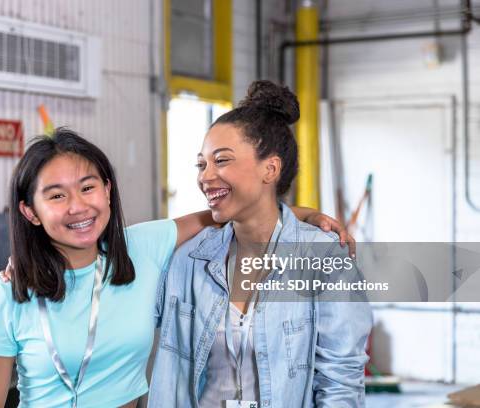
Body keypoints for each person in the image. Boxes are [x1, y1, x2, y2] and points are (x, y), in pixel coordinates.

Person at [0, 128, 351, 407]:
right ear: (29, 212)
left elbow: (226, 214)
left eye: (87, 188)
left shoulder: (143, 248)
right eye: (56, 196)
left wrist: (306, 215)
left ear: (106, 190)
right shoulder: (9, 296)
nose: (77, 207)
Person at [148, 81, 373, 407]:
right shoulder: (188, 260)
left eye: (221, 161)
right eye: (202, 164)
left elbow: (341, 381)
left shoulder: (324, 257)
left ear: (270, 168)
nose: (205, 177)